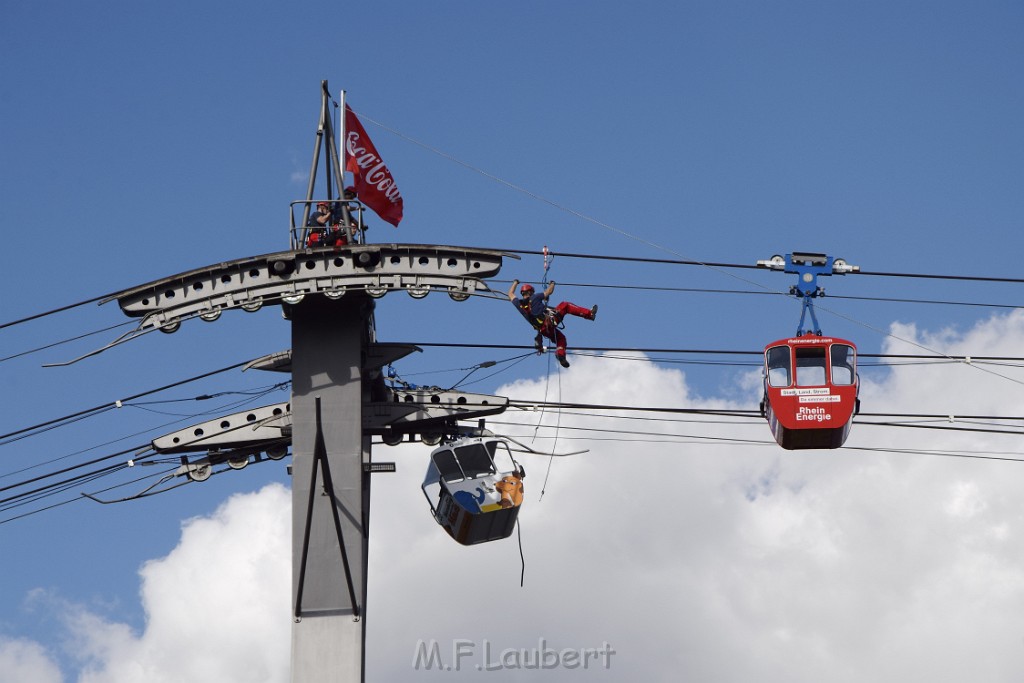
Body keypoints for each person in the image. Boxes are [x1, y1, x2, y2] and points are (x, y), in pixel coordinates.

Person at [508, 279, 597, 368]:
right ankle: (590, 314)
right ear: (530, 292)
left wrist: (515, 283)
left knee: (560, 338)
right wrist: (552, 284)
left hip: (544, 330)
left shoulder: (519, 305)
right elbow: (549, 292)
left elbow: (510, 294)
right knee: (566, 305)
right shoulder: (535, 297)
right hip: (549, 322)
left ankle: (560, 355)